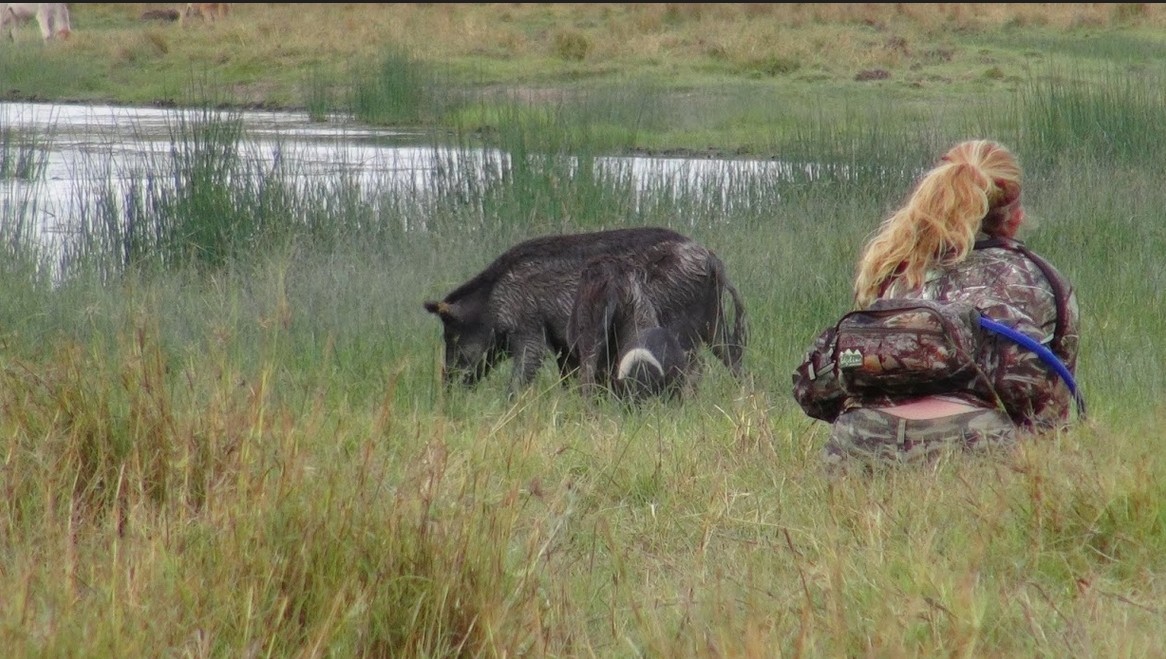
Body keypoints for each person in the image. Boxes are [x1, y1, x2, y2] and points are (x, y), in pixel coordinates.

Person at [792, 139, 1080, 468]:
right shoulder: (1042, 279)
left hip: (858, 444)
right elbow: (1050, 410)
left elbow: (822, 389)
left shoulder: (894, 268)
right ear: (1015, 218)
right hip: (979, 450)